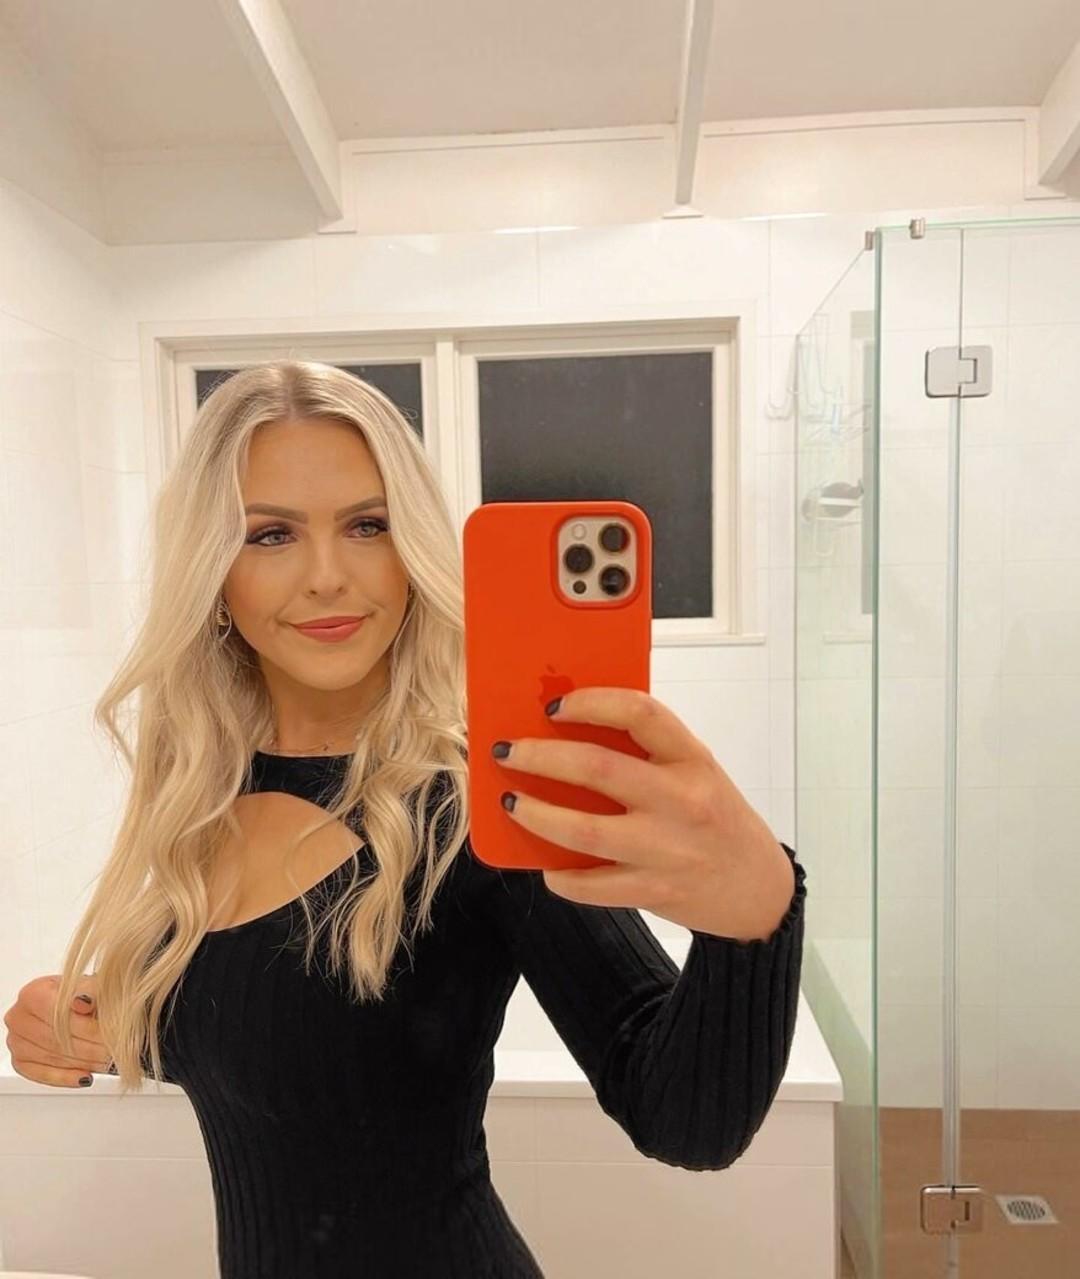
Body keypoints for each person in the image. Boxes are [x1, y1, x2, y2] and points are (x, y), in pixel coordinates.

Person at [4, 360, 807, 1278]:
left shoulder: (473, 805)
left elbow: (686, 1121)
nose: (327, 577)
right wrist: (96, 1022)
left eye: (368, 525)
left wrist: (757, 907)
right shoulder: (204, 792)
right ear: (213, 573)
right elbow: (277, 1031)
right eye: (270, 534)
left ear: (413, 547)